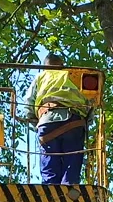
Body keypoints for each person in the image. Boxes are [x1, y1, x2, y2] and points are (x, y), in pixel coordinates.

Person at [24, 53, 93, 186]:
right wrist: (85, 124)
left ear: (46, 67)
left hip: (47, 122)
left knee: (49, 162)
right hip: (74, 122)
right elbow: (91, 104)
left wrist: (36, 124)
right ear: (62, 65)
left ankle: (50, 194)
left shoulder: (41, 77)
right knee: (72, 162)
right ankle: (70, 191)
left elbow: (28, 105)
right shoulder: (75, 77)